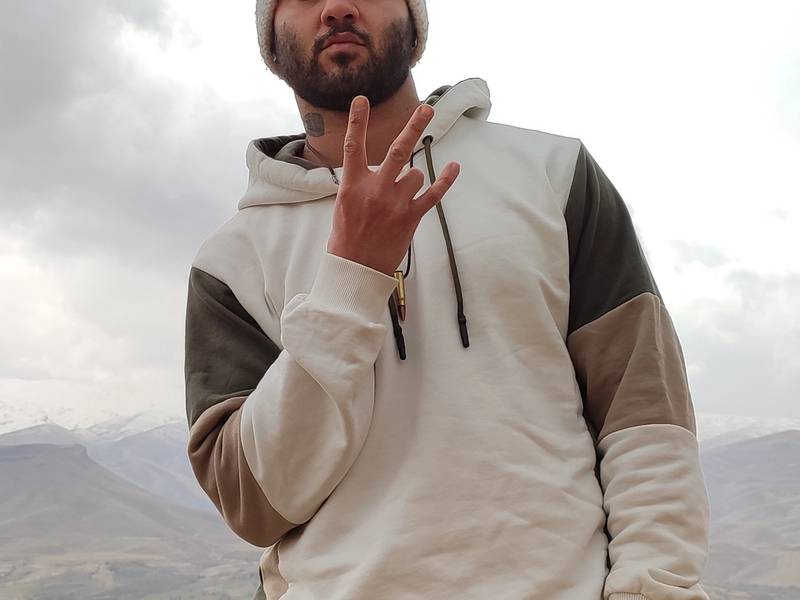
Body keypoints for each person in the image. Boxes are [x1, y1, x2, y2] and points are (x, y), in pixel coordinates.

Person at [183, 1, 711, 598]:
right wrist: (350, 280)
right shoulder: (230, 262)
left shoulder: (553, 173)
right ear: (269, 44)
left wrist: (653, 588)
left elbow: (644, 412)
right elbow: (254, 504)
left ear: (415, 25)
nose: (336, 8)